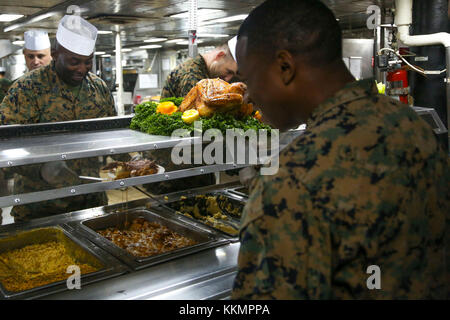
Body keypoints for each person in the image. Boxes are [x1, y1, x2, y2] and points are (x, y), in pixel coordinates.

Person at [232, 0, 448, 299]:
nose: (249, 97)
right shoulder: (412, 125)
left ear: (284, 66)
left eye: (248, 79)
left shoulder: (290, 183)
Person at [0, 15, 118, 222]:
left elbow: (113, 133)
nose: (82, 69)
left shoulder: (98, 87)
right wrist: (41, 169)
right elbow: (5, 142)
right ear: (55, 54)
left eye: (87, 62)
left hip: (90, 200)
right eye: (74, 62)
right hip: (40, 205)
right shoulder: (27, 89)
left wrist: (128, 161)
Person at [160, 37, 238, 99]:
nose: (228, 78)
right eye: (229, 72)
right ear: (220, 55)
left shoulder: (201, 68)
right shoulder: (192, 75)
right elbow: (195, 115)